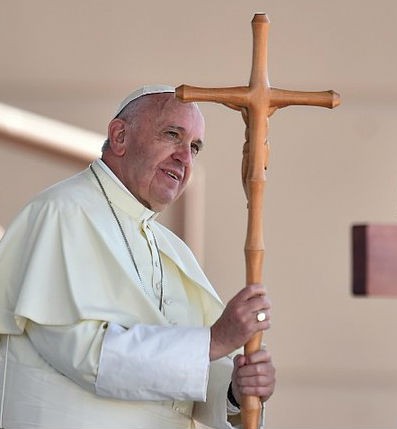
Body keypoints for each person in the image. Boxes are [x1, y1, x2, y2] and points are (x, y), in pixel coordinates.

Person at [0, 85, 275, 429]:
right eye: (172, 135)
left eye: (194, 147)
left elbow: (181, 382)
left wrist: (234, 388)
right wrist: (213, 341)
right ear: (119, 136)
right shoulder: (60, 213)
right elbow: (88, 356)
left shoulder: (172, 250)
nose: (185, 158)